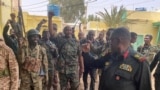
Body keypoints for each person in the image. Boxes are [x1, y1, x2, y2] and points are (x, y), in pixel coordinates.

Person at [82, 27, 152, 90]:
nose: (110, 43)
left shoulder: (140, 63)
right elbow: (94, 63)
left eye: (111, 41)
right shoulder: (110, 55)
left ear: (118, 41)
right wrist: (86, 53)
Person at [48, 12, 84, 90]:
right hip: (62, 69)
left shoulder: (76, 42)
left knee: (75, 87)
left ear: (72, 32)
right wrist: (50, 18)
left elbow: (80, 55)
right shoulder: (60, 40)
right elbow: (51, 33)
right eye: (66, 30)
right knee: (63, 88)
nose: (68, 31)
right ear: (64, 32)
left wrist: (82, 67)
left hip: (73, 70)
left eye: (70, 30)